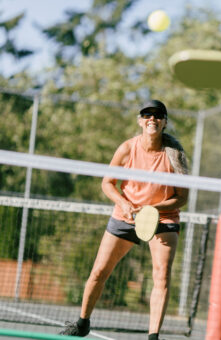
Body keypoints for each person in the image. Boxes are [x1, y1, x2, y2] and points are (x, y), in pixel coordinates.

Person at [59, 99, 189, 340]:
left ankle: (153, 336)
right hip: (125, 216)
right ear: (140, 121)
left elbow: (182, 198)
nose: (152, 118)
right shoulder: (127, 149)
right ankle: (82, 322)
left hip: (164, 218)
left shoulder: (175, 155)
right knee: (99, 271)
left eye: (158, 115)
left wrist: (153, 209)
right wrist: (124, 203)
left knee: (162, 276)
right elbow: (107, 183)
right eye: (147, 114)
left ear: (165, 123)